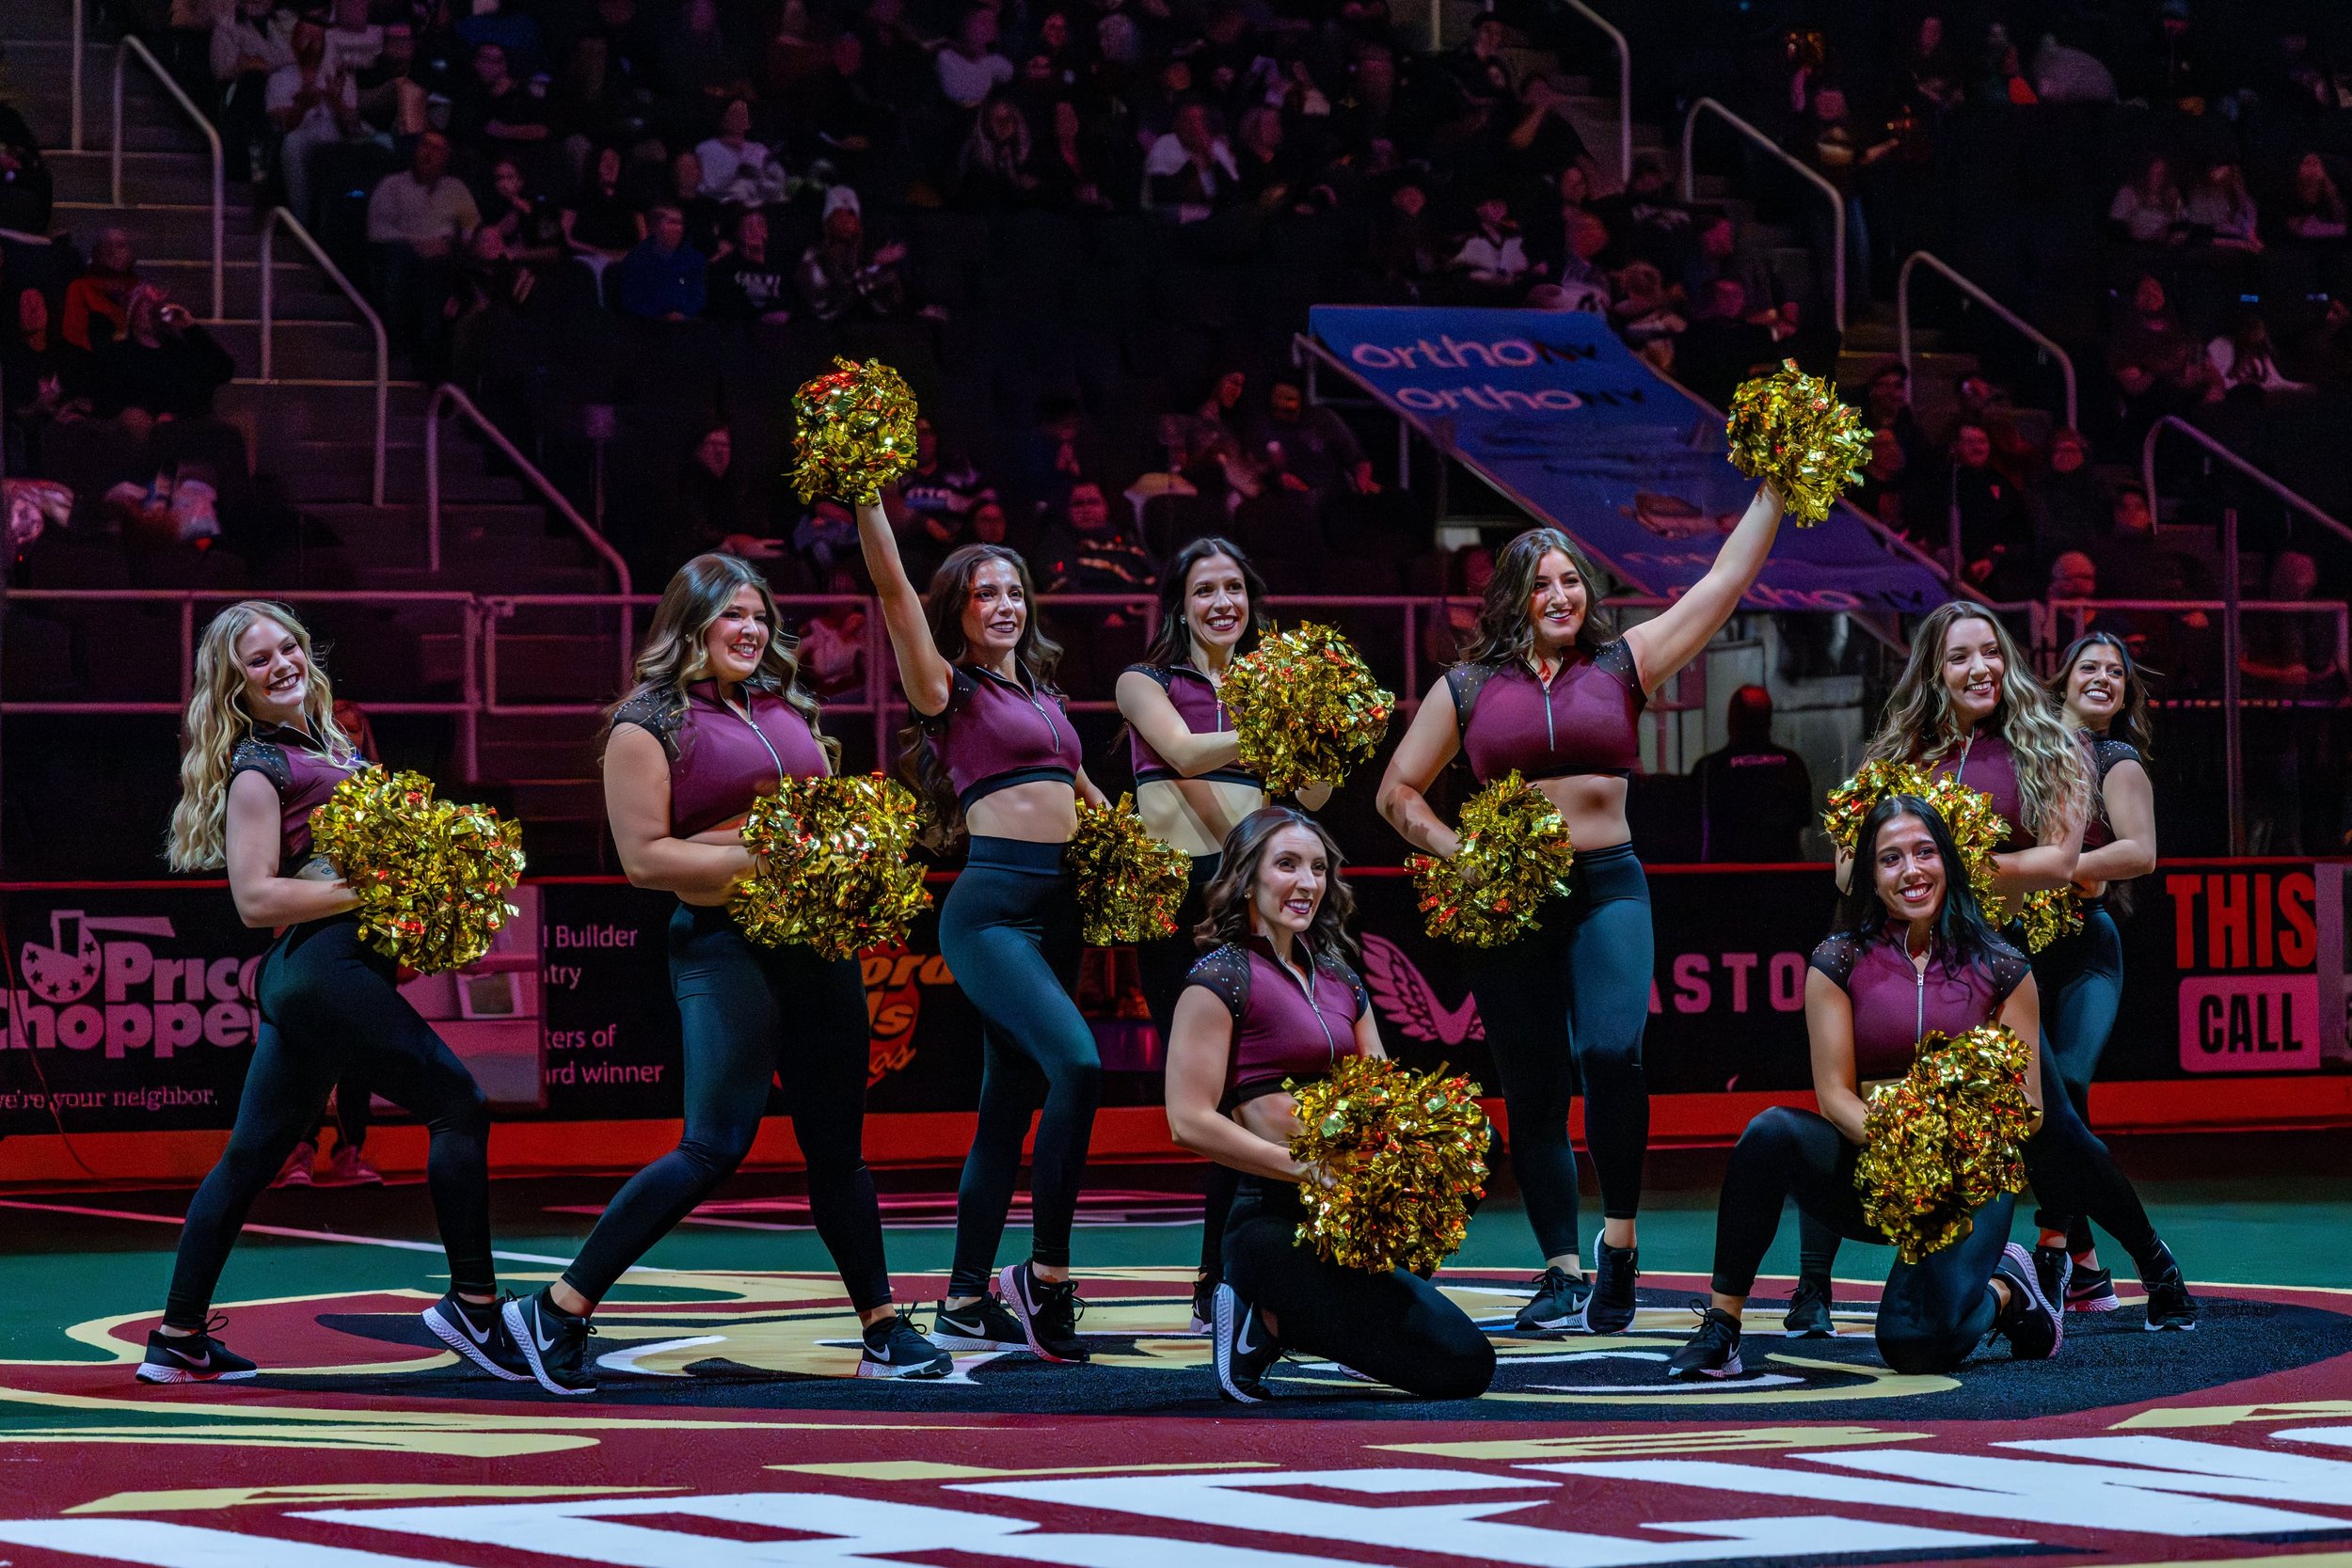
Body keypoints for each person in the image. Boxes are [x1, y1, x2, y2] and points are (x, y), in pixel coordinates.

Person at [502, 556, 948, 1393]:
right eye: (729, 615)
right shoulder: (647, 722)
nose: (748, 629)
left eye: (757, 614)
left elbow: (816, 822)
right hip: (721, 945)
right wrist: (774, 855)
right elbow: (645, 860)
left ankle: (882, 1326)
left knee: (838, 1153)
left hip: (816, 948)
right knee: (713, 1145)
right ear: (689, 624)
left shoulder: (786, 708)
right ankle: (556, 1309)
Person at [1375, 481, 1790, 1335]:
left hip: (1608, 883)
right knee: (1532, 1086)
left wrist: (1774, 490)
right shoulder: (1466, 685)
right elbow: (1397, 794)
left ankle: (1620, 1242)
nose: (1561, 596)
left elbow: (1720, 581)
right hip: (1510, 901)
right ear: (1511, 597)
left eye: (1571, 581)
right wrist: (1465, 853)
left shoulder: (1624, 663)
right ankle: (1561, 1268)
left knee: (1610, 1052)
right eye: (1541, 583)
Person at [1788, 604, 2196, 1335]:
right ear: (1933, 673)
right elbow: (1849, 867)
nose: (1978, 668)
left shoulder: (2049, 745)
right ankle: (1810, 1290)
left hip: (1986, 968)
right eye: (1958, 657)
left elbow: (2060, 861)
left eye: (1990, 653)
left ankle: (2154, 1263)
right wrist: (1873, 863)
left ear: (2007, 662)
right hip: (1893, 960)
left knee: (2056, 1127)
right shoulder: (1899, 755)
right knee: (1850, 1098)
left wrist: (1949, 872)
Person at [145, 602, 522, 1386]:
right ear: (233, 684)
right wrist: (376, 886)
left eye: (288, 646)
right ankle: (475, 1309)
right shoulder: (262, 767)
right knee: (459, 1103)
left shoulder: (332, 742)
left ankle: (177, 1336)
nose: (281, 662)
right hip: (320, 973)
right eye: (258, 659)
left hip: (322, 975)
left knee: (249, 1160)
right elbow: (255, 900)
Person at [1666, 795, 2064, 1377]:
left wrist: (1952, 1152)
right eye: (1890, 859)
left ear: (1948, 861)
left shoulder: (2004, 967)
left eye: (1925, 852)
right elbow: (1833, 1094)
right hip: (1872, 1168)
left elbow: (2029, 1107)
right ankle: (1723, 1328)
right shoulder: (1837, 960)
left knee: (1913, 1347)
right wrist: (1903, 1145)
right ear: (1871, 878)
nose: (1912, 871)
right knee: (1770, 1133)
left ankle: (2005, 1292)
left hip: (1964, 1185)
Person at [853, 499, 1111, 1363]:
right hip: (992, 908)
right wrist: (867, 496)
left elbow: (1082, 790)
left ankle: (964, 1298)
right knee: (1076, 1065)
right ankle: (1046, 1275)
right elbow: (892, 590)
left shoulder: (1041, 697)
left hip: (1060, 907)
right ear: (957, 611)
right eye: (982, 595)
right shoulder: (947, 687)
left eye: (1012, 592)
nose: (1003, 605)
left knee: (1007, 1108)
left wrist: (1129, 853)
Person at [1167, 807, 1496, 1402]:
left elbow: (1382, 1096)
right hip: (1268, 1221)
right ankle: (1253, 1314)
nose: (1307, 883)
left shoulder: (1342, 979)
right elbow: (1188, 1122)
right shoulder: (1219, 979)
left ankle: (1291, 1326)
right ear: (1247, 876)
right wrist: (1308, 1170)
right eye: (1287, 864)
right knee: (1450, 1364)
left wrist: (1423, 1156)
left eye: (1318, 868)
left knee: (1467, 1365)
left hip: (1347, 1222)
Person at [1117, 539, 1332, 1331]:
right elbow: (1181, 751)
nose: (1222, 603)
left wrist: (1321, 732)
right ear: (1180, 602)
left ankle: (1224, 1275)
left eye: (1234, 587)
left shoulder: (1269, 687)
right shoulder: (1144, 682)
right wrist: (1277, 715)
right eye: (1205, 588)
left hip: (1254, 902)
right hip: (1179, 899)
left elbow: (1309, 791)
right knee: (1205, 1095)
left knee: (1255, 1094)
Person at [2028, 632, 2162, 1314]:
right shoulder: (2028, 750)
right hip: (2021, 948)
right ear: (2064, 680)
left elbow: (2140, 853)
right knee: (2036, 1105)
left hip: (2085, 948)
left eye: (2116, 672)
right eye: (2091, 667)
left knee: (2070, 1085)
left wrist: (2062, 869)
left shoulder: (2117, 758)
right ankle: (2083, 1265)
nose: (2104, 677)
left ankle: (2059, 1247)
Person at [1693, 685, 1814, 863]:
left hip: (1724, 880)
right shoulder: (1790, 763)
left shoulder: (1710, 768)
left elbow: (1694, 832)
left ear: (1732, 720)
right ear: (1769, 721)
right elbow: (1805, 817)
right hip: (1783, 878)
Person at [615, 204, 707, 322]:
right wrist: (660, 315)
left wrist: (683, 315)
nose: (678, 228)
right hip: (647, 326)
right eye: (672, 222)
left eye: (680, 223)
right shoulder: (637, 259)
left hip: (685, 324)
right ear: (655, 227)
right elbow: (630, 300)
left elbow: (698, 296)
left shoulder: (694, 258)